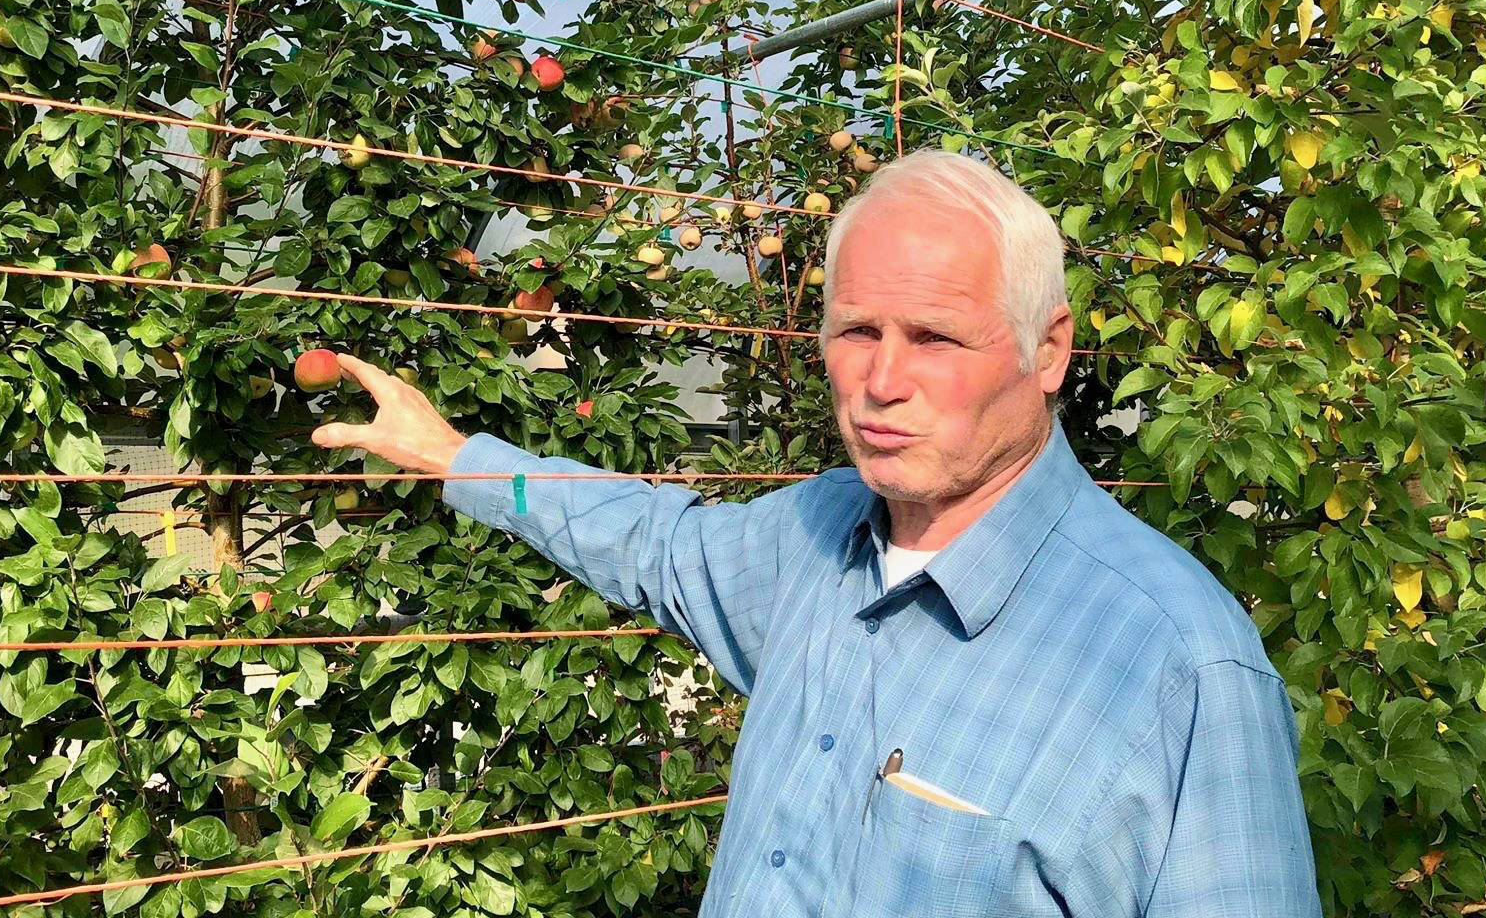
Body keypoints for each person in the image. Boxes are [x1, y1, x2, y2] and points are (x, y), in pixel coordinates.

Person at [311, 150, 1320, 916]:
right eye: (856, 332)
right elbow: (648, 542)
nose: (882, 382)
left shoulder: (1175, 667)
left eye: (934, 337)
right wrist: (459, 460)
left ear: (1046, 348)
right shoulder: (811, 540)